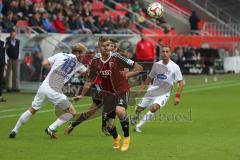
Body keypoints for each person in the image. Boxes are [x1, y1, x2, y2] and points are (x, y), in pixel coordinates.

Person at [74, 37, 143, 151]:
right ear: (99, 47)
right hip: (108, 95)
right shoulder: (95, 61)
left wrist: (127, 75)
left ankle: (126, 138)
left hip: (122, 90)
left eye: (108, 45)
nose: (106, 48)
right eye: (103, 46)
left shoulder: (117, 57)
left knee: (120, 111)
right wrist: (82, 94)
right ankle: (116, 137)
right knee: (108, 126)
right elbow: (89, 80)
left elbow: (139, 68)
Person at [9, 43, 88, 139]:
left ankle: (14, 130)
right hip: (55, 90)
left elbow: (45, 63)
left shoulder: (60, 54)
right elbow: (87, 72)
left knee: (32, 109)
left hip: (44, 87)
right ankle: (51, 128)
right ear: (77, 53)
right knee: (72, 112)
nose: (84, 56)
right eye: (84, 54)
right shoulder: (79, 64)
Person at [131, 46, 184, 133]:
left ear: (170, 53)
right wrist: (140, 91)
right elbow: (148, 79)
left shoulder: (175, 67)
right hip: (152, 91)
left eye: (167, 51)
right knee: (138, 109)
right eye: (163, 51)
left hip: (164, 93)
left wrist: (177, 96)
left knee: (154, 107)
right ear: (161, 53)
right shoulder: (156, 65)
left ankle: (138, 127)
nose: (165, 53)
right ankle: (137, 115)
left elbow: (181, 83)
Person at [0, 31, 6, 102]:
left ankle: (0, 96)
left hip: (1, 63)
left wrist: (5, 63)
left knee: (0, 79)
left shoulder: (3, 42)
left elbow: (4, 54)